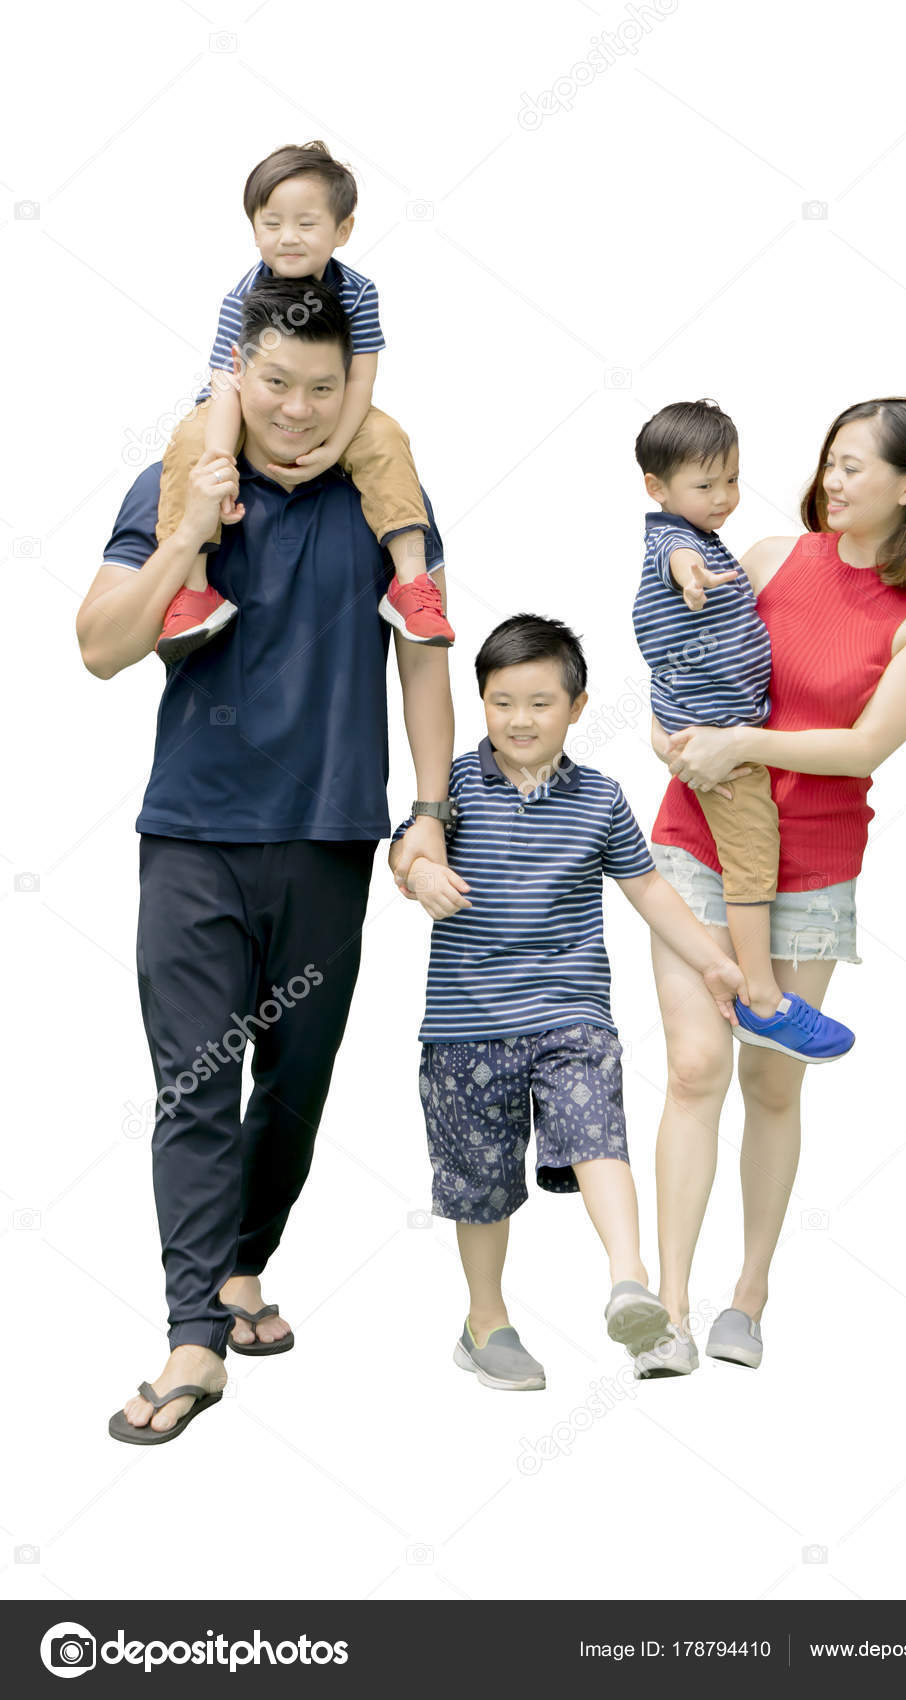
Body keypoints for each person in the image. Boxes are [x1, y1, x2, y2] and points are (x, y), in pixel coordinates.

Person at [76, 277, 455, 1443]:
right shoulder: (182, 474)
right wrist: (188, 531)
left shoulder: (384, 493)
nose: (296, 410)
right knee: (195, 1082)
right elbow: (98, 647)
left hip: (332, 832)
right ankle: (195, 1333)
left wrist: (429, 808)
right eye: (276, 384)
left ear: (356, 386)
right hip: (192, 831)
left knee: (293, 1082)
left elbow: (425, 656)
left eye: (322, 388)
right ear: (238, 372)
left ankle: (241, 1266)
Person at [642, 397, 906, 1377]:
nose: (832, 478)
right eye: (828, 460)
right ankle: (666, 1307)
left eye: (855, 466)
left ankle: (747, 1293)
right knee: (695, 1065)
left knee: (768, 1078)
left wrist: (743, 741)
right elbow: (684, 648)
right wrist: (671, 731)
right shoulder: (775, 554)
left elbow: (864, 743)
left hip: (814, 865)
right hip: (696, 840)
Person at [388, 615, 747, 1388]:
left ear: (577, 708)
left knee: (596, 1134)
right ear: (480, 703)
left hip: (570, 1014)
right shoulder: (447, 788)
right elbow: (404, 850)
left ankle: (630, 1282)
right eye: (502, 702)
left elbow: (648, 889)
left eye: (541, 703)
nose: (521, 720)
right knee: (479, 1187)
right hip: (465, 1025)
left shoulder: (601, 800)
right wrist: (418, 874)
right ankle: (486, 1324)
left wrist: (716, 964)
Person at [153, 139, 453, 662]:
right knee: (192, 442)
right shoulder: (242, 296)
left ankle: (410, 583)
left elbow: (359, 380)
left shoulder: (357, 292)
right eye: (272, 223)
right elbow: (226, 382)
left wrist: (335, 448)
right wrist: (221, 462)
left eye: (306, 224)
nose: (288, 238)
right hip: (238, 405)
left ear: (343, 230)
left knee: (385, 437)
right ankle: (193, 589)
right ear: (253, 227)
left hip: (332, 406)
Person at [634, 398, 855, 1064]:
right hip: (715, 739)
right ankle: (762, 999)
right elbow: (675, 558)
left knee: (751, 850)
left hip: (714, 727)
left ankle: (758, 992)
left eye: (731, 479)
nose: (724, 496)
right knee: (754, 852)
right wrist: (691, 579)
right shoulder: (674, 540)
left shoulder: (703, 534)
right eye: (705, 485)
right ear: (658, 489)